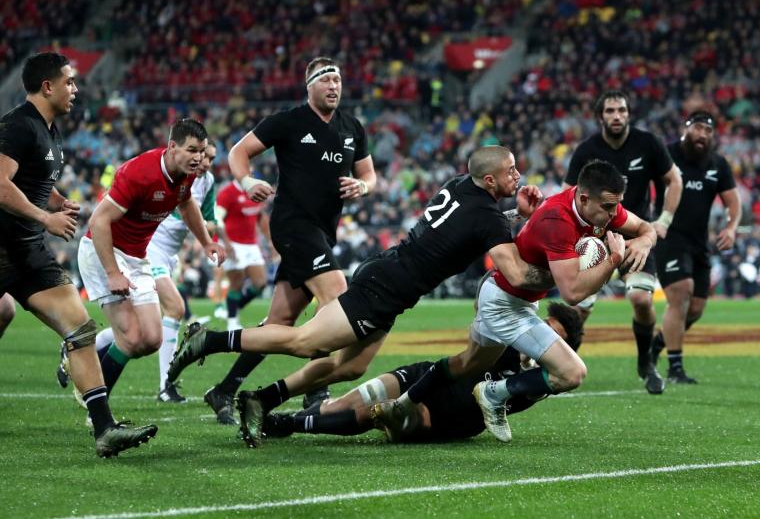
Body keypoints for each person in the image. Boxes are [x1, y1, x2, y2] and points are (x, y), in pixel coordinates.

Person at [169, 145, 548, 446]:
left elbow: (473, 225)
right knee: (305, 342)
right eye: (511, 170)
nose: (517, 175)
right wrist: (561, 266)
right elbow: (513, 270)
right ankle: (210, 340)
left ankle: (262, 399)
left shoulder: (460, 186)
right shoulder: (487, 215)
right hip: (385, 288)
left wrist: (516, 213)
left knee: (350, 367)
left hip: (390, 277)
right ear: (488, 178)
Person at [377, 159, 658, 443]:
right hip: (505, 303)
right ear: (583, 198)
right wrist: (614, 259)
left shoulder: (602, 205)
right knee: (572, 373)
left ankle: (400, 405)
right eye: (608, 208)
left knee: (466, 364)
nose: (613, 215)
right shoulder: (557, 221)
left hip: (508, 296)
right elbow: (572, 292)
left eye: (616, 206)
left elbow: (645, 227)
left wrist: (644, 241)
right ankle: (493, 394)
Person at [201, 56, 376, 425]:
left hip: (323, 230)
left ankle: (224, 389)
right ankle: (317, 393)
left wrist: (363, 186)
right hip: (293, 225)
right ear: (309, 86)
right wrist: (247, 182)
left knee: (280, 320)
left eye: (338, 80)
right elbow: (238, 152)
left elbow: (370, 175)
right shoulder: (290, 120)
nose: (334, 86)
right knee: (337, 299)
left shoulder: (352, 127)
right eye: (326, 80)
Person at [0, 52, 156, 457]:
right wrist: (43, 217)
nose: (75, 88)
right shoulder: (17, 126)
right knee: (4, 313)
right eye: (69, 82)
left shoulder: (49, 131)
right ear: (47, 86)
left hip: (26, 252)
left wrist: (55, 201)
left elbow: (32, 179)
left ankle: (104, 430)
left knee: (82, 330)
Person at [260, 303, 584, 443]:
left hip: (451, 414)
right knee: (340, 406)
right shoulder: (509, 337)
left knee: (373, 415)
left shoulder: (539, 382)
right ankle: (313, 414)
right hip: (426, 376)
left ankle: (288, 424)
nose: (541, 340)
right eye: (543, 330)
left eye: (552, 339)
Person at [76, 118, 224, 398]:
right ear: (172, 147)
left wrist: (206, 242)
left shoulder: (187, 174)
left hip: (137, 255)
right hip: (103, 250)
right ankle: (97, 406)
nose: (199, 158)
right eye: (192, 150)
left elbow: (186, 202)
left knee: (152, 340)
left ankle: (88, 364)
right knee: (131, 338)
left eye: (202, 151)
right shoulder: (139, 172)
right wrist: (112, 273)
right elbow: (97, 222)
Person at [563, 90, 682, 395]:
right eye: (610, 111)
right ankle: (560, 365)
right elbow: (566, 195)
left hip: (635, 235)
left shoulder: (648, 143)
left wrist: (663, 222)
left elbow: (674, 179)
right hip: (594, 238)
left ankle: (646, 363)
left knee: (641, 300)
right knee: (580, 309)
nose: (617, 116)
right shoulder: (587, 149)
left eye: (622, 110)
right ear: (600, 116)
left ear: (629, 114)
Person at [649, 111, 741, 383]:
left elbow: (733, 202)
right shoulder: (666, 155)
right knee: (681, 292)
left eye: (708, 131)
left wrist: (731, 227)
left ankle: (656, 345)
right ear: (686, 128)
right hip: (669, 236)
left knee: (696, 309)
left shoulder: (717, 164)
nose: (703, 134)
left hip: (700, 243)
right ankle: (675, 369)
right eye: (698, 128)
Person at [215, 176, 268, 331]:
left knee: (261, 283)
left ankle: (233, 306)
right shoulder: (227, 193)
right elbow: (218, 218)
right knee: (236, 283)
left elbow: (259, 216)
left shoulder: (256, 190)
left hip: (251, 245)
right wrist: (226, 243)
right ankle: (232, 322)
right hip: (232, 243)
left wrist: (270, 240)